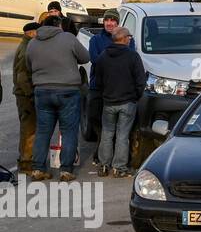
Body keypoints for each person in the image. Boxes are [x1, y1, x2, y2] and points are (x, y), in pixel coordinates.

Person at [27, 12, 90, 181]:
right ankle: (66, 170)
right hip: (67, 91)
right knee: (69, 131)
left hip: (42, 91)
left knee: (43, 131)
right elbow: (85, 57)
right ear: (58, 25)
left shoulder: (32, 43)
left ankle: (38, 169)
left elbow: (28, 65)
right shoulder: (68, 38)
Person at [93, 27, 145, 177]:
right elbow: (140, 80)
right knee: (123, 135)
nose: (130, 39)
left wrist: (105, 94)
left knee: (107, 134)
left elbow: (98, 80)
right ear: (123, 39)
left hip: (109, 102)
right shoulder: (133, 56)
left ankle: (104, 165)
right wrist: (136, 96)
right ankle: (119, 168)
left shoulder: (103, 56)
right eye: (128, 37)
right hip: (127, 102)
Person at [86, 10, 126, 150]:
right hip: (98, 86)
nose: (109, 23)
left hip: (117, 88)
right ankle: (101, 148)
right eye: (106, 20)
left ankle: (107, 152)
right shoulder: (95, 40)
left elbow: (129, 60)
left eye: (112, 20)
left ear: (117, 22)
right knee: (95, 118)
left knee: (114, 124)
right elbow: (95, 60)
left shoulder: (126, 39)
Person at [12, 21, 41, 174]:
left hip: (23, 94)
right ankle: (26, 163)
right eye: (37, 31)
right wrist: (30, 94)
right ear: (31, 33)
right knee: (29, 130)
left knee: (28, 129)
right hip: (25, 95)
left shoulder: (27, 45)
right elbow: (22, 76)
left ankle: (26, 160)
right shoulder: (26, 49)